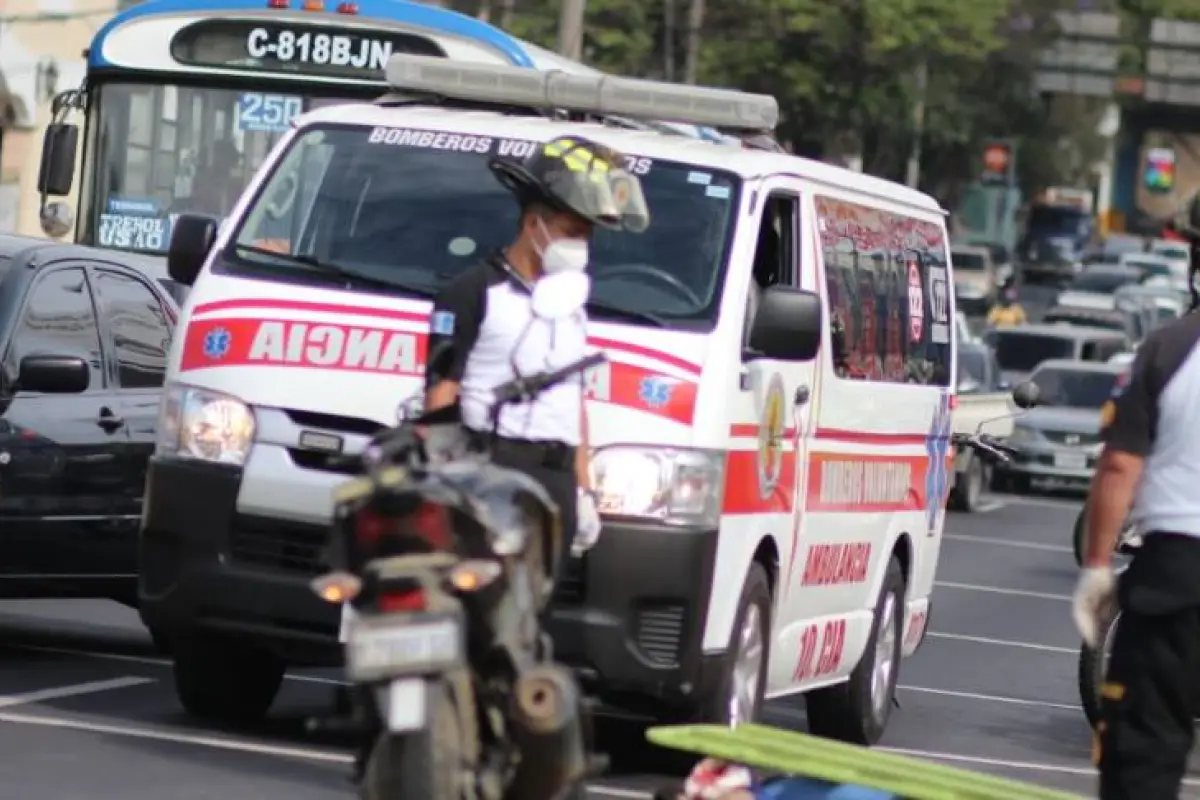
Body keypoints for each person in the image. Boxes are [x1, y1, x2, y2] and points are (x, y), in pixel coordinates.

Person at [423, 134, 649, 564]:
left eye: (587, 236)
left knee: (530, 616)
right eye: (571, 233)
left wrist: (584, 489)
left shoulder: (569, 303)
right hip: (496, 466)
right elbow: (441, 391)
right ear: (532, 225)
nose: (580, 246)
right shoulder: (473, 291)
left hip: (556, 477)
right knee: (486, 609)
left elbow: (571, 401)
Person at [1075, 190, 1200, 799]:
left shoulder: (1171, 348)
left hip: (1178, 576)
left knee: (1143, 756)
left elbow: (1121, 463)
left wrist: (1098, 569)